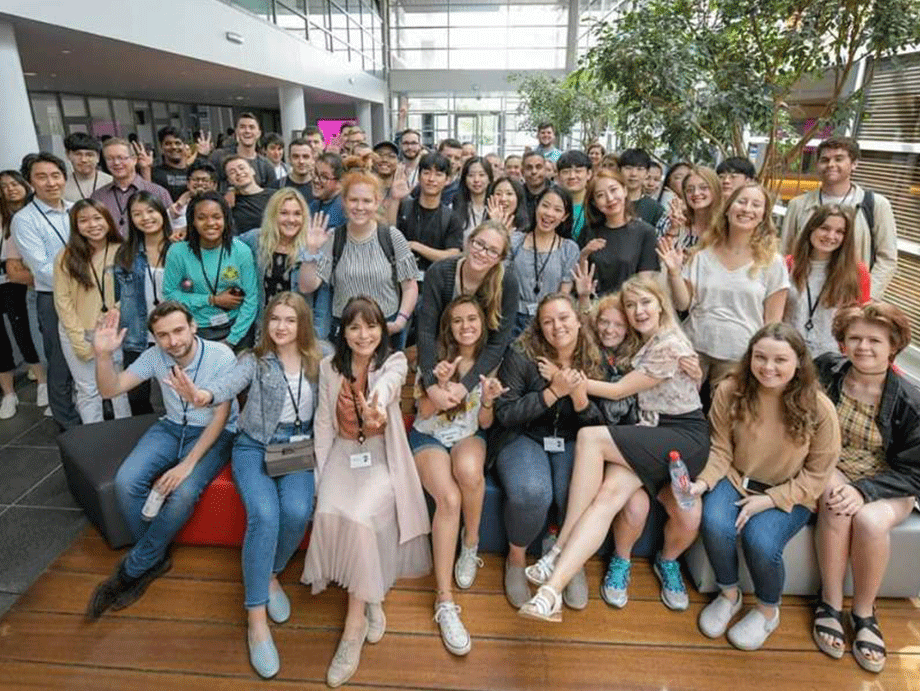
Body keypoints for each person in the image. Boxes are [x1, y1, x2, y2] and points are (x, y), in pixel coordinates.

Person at [517, 277, 709, 621]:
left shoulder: (669, 344)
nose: (638, 311)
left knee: (591, 439)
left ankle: (558, 548)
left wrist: (563, 378)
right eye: (631, 305)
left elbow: (619, 391)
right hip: (650, 434)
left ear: (661, 304)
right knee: (605, 500)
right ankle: (550, 593)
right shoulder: (646, 342)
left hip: (681, 435)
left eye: (645, 303)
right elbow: (594, 326)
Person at [167, 292, 327, 679]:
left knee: (297, 512)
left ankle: (269, 573)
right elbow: (227, 384)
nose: (281, 327)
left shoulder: (320, 359)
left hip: (297, 447)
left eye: (290, 320)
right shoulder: (253, 359)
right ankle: (256, 620)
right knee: (265, 515)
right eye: (275, 319)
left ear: (302, 324)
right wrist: (202, 395)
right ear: (266, 323)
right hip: (254, 446)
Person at [302, 296, 431, 688]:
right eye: (355, 327)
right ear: (343, 332)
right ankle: (371, 592)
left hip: (379, 456)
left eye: (372, 326)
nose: (364, 335)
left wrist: (375, 403)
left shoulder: (394, 362)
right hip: (343, 454)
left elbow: (388, 387)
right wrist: (321, 478)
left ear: (382, 330)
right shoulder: (330, 367)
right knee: (328, 509)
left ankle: (353, 627)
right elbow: (323, 424)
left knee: (359, 518)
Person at [690, 323, 840, 650]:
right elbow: (720, 448)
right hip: (736, 478)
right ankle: (728, 594)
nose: (768, 367)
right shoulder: (730, 390)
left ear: (798, 362)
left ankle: (767, 610)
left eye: (780, 360)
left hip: (790, 491)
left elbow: (817, 475)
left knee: (760, 541)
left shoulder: (820, 408)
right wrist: (704, 481)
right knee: (714, 522)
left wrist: (770, 499)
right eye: (760, 357)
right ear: (750, 357)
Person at [87, 301, 237, 619]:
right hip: (170, 426)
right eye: (163, 335)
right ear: (155, 337)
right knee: (126, 482)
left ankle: (134, 567)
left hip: (214, 431)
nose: (173, 341)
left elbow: (221, 416)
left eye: (179, 330)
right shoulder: (155, 356)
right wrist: (102, 356)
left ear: (193, 327)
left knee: (183, 492)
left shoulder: (221, 355)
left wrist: (188, 464)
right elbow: (110, 389)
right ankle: (154, 555)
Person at [813, 302, 920, 674]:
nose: (863, 347)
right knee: (835, 502)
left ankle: (863, 613)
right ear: (842, 342)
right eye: (854, 338)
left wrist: (864, 491)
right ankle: (829, 602)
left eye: (874, 340)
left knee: (871, 522)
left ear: (893, 346)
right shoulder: (826, 370)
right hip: (833, 466)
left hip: (889, 481)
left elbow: (914, 472)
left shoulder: (911, 401)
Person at [494, 292, 605, 609]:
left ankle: (569, 557)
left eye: (564, 318)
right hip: (524, 435)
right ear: (538, 327)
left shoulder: (595, 357)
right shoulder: (521, 354)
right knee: (532, 491)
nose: (557, 327)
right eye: (548, 321)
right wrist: (554, 392)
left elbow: (601, 426)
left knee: (575, 490)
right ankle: (516, 558)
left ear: (579, 320)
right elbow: (506, 413)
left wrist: (579, 397)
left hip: (572, 438)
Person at [411, 296, 505, 656]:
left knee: (468, 472)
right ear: (448, 327)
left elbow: (485, 423)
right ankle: (445, 599)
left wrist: (488, 400)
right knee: (448, 499)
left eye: (472, 319)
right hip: (429, 435)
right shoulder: (433, 357)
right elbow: (423, 411)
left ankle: (471, 543)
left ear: (482, 323)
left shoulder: (490, 362)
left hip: (468, 434)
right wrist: (438, 384)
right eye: (458, 320)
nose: (466, 326)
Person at [661, 182, 789, 386]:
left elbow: (772, 323)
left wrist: (763, 360)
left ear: (763, 216)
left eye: (756, 205)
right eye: (741, 202)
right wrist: (674, 273)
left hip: (739, 357)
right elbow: (683, 304)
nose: (747, 209)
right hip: (693, 349)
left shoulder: (772, 263)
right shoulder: (702, 255)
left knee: (725, 406)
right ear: (728, 209)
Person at [299, 169, 419, 350]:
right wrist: (312, 250)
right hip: (346, 331)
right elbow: (307, 286)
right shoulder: (334, 238)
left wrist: (400, 321)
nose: (360, 207)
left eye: (367, 201)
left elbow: (409, 286)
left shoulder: (392, 237)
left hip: (386, 329)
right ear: (344, 202)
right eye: (353, 200)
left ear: (377, 202)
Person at [416, 221, 518, 415]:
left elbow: (498, 343)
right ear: (469, 242)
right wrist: (431, 386)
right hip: (440, 359)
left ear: (500, 258)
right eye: (479, 244)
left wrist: (465, 386)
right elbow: (426, 332)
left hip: (480, 364)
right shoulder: (439, 272)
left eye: (493, 251)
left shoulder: (507, 283)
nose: (482, 253)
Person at [782, 136, 896, 299]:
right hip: (801, 297)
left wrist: (866, 298)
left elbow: (887, 259)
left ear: (854, 164)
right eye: (825, 160)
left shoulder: (875, 205)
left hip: (849, 298)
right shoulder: (798, 205)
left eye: (839, 159)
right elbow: (785, 252)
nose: (831, 164)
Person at [13, 153, 80, 429]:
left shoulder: (77, 210)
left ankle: (96, 412)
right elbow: (41, 268)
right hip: (53, 297)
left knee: (91, 354)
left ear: (64, 177)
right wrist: (83, 282)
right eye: (41, 177)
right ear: (30, 182)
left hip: (88, 294)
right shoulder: (25, 219)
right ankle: (68, 424)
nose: (51, 183)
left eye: (55, 175)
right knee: (60, 361)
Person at [53, 199, 131, 422]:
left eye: (98, 218)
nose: (93, 225)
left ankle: (124, 434)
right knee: (88, 390)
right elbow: (63, 300)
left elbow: (131, 290)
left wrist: (115, 311)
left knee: (118, 388)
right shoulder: (66, 256)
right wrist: (78, 338)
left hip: (112, 331)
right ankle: (93, 437)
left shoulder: (123, 251)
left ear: (108, 220)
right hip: (77, 331)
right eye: (84, 220)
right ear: (75, 225)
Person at [163, 191, 258, 351]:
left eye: (216, 217)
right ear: (192, 221)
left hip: (237, 329)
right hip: (195, 331)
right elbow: (170, 294)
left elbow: (251, 298)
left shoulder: (241, 251)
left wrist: (232, 340)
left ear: (225, 219)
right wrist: (212, 300)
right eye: (201, 218)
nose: (210, 223)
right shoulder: (178, 252)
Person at [114, 191, 174, 416]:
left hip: (173, 333)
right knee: (137, 399)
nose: (145, 218)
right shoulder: (125, 253)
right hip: (138, 335)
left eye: (151, 211)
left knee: (178, 394)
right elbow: (119, 295)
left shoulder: (179, 248)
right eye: (137, 214)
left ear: (162, 213)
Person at [785, 204, 870, 357]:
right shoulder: (787, 265)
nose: (831, 236)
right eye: (824, 228)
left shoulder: (857, 272)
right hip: (788, 352)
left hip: (832, 358)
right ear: (811, 229)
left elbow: (862, 322)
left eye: (840, 232)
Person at [0, 170, 46, 418]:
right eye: (3, 186)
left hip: (20, 281)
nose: (9, 189)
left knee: (25, 332)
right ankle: (8, 394)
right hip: (11, 275)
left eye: (14, 183)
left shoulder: (30, 215)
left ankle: (43, 382)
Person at [509, 185, 578, 337]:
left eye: (557, 210)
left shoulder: (569, 249)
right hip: (513, 319)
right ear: (536, 206)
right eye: (545, 206)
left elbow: (563, 295)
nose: (549, 213)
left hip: (549, 321)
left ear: (564, 216)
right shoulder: (515, 241)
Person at [579, 169, 659, 295]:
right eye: (600, 195)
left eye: (613, 190)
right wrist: (584, 254)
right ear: (594, 203)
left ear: (625, 190)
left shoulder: (646, 232)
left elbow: (645, 282)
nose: (610, 198)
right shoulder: (588, 232)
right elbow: (579, 278)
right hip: (593, 303)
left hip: (629, 302)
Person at [240, 187, 313, 311]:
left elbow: (322, 300)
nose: (291, 220)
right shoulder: (255, 239)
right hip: (262, 319)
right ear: (273, 215)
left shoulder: (311, 246)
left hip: (296, 320)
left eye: (297, 214)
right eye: (284, 213)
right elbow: (227, 247)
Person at [395, 152, 463, 275]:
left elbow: (453, 255)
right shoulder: (404, 207)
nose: (431, 179)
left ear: (447, 180)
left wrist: (415, 246)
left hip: (436, 280)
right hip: (402, 277)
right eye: (426, 173)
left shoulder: (451, 217)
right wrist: (394, 199)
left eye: (438, 174)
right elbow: (388, 230)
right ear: (419, 176)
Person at [92, 138, 172, 232]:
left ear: (134, 159)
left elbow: (171, 227)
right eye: (110, 159)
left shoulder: (157, 192)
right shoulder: (98, 196)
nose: (116, 163)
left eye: (121, 158)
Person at [657, 165, 723, 253]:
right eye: (690, 190)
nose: (696, 193)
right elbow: (660, 254)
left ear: (716, 189)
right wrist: (674, 228)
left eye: (703, 188)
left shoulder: (726, 225)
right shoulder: (670, 220)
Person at [210, 112, 277, 188]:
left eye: (251, 127)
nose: (247, 131)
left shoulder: (266, 166)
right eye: (242, 127)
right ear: (236, 132)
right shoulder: (219, 156)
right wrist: (203, 155)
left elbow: (273, 193)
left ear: (259, 133)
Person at [167, 159, 219, 237]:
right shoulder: (176, 210)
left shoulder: (221, 207)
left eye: (205, 180)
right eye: (196, 180)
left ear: (214, 185)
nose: (200, 183)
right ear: (188, 183)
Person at [224, 156, 274, 234]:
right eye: (232, 172)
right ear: (229, 180)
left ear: (252, 170)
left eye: (241, 168)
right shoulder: (230, 202)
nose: (238, 173)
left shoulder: (275, 195)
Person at [618, 148, 665, 227]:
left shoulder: (655, 208)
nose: (633, 174)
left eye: (640, 169)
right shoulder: (611, 202)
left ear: (647, 173)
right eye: (628, 168)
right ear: (619, 170)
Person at [452, 157, 494, 240]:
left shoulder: (496, 207)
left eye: (481, 175)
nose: (476, 180)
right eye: (471, 175)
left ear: (489, 178)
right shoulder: (454, 207)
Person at [556, 151, 592, 244]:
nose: (572, 176)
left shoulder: (597, 204)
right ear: (558, 176)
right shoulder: (553, 206)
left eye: (578, 171)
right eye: (566, 172)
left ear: (589, 174)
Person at [63, 132, 112, 202]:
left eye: (89, 155)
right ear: (68, 155)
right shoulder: (62, 185)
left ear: (98, 157)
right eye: (78, 154)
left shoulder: (111, 183)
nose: (84, 160)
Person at [151, 126, 193, 201]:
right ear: (161, 148)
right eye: (168, 144)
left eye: (177, 143)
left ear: (185, 146)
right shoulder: (154, 173)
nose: (173, 147)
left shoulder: (193, 172)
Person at [270, 137, 314, 203]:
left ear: (313, 159)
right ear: (289, 159)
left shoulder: (320, 188)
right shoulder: (277, 187)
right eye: (296, 156)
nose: (301, 161)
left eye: (305, 157)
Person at [310, 152, 346, 228]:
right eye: (315, 174)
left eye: (324, 177)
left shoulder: (345, 212)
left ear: (340, 181)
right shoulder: (312, 206)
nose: (316, 180)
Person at [522, 151, 549, 223]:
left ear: (545, 170)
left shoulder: (557, 194)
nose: (534, 171)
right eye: (529, 168)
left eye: (538, 167)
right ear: (522, 172)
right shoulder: (517, 195)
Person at [438, 138, 464, 207]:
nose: (452, 161)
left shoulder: (463, 188)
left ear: (460, 162)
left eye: (457, 158)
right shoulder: (425, 184)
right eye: (448, 157)